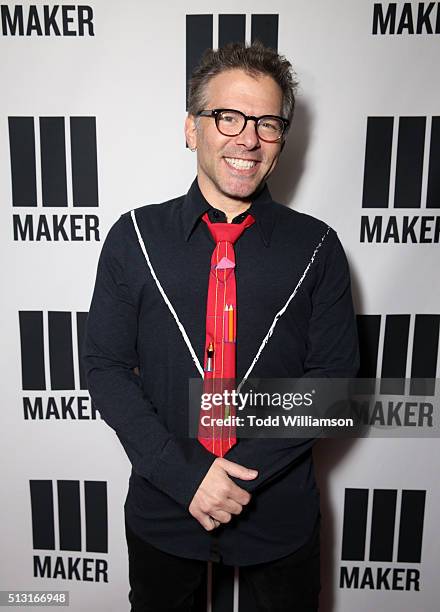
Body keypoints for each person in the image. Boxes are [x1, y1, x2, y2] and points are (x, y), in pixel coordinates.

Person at [83, 41, 359, 612]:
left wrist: (237, 478)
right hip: (164, 509)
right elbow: (106, 368)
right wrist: (184, 476)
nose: (248, 138)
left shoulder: (318, 246)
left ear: (283, 138)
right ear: (191, 128)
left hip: (279, 517)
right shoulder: (134, 237)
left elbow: (332, 380)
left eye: (267, 123)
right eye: (227, 117)